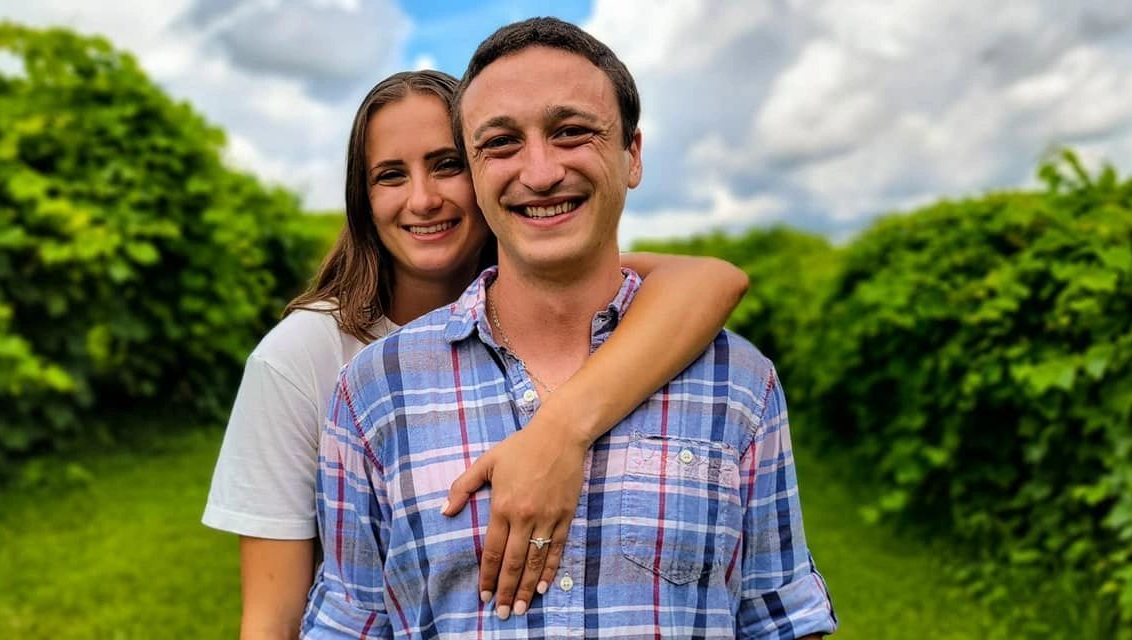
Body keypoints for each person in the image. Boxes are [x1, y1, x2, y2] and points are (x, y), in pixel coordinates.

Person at [302, 17, 836, 639]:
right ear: (474, 175)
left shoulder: (740, 384)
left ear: (631, 154)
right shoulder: (374, 392)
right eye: (500, 143)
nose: (540, 171)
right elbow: (350, 625)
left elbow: (778, 622)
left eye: (572, 132)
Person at [202, 68, 750, 638]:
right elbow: (274, 617)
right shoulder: (306, 357)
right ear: (362, 200)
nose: (423, 199)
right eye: (390, 176)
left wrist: (557, 431)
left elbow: (711, 280)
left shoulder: (547, 286)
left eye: (446, 165)